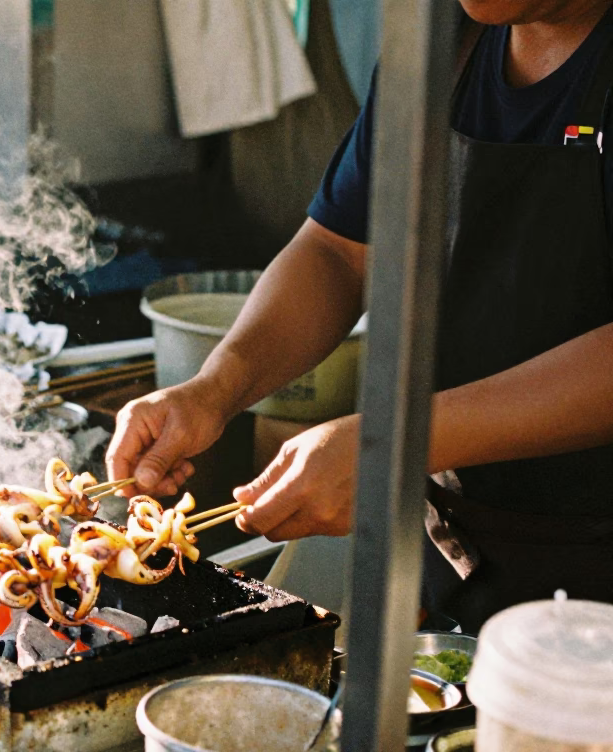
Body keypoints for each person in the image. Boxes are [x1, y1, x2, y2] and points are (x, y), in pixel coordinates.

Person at [107, 0, 613, 631]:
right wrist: (214, 391)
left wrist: (398, 442)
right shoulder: (436, 51)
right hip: (470, 554)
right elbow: (341, 251)